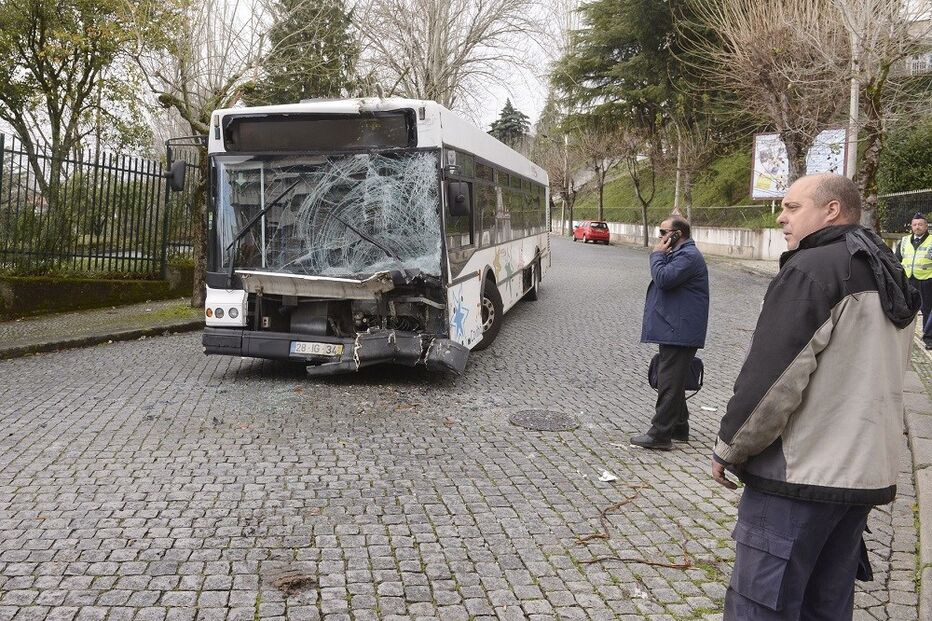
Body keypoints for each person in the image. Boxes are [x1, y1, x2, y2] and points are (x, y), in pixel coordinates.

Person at [711, 173, 920, 620]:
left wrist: (730, 447)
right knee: (826, 606)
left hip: (802, 475)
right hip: (861, 476)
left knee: (761, 605)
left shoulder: (812, 269)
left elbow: (773, 379)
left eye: (792, 207)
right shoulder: (886, 267)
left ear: (831, 210)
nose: (780, 218)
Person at [631, 215, 709, 451]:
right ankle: (679, 426)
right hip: (675, 327)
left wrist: (656, 254)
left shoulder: (688, 256)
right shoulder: (681, 254)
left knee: (669, 382)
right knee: (674, 379)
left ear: (677, 234)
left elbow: (664, 279)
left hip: (679, 329)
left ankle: (660, 434)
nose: (660, 237)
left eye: (663, 232)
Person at [895, 212, 932, 350]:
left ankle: (929, 338)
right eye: (915, 224)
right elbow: (896, 260)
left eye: (920, 224)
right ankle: (904, 334)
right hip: (907, 280)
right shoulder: (904, 241)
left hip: (926, 280)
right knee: (906, 308)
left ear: (926, 226)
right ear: (911, 226)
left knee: (927, 309)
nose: (917, 227)